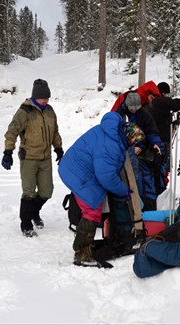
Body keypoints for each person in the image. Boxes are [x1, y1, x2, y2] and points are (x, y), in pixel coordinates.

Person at [58, 113, 145, 266]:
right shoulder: (111, 146)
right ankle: (82, 254)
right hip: (78, 174)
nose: (132, 146)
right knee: (92, 211)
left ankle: (84, 247)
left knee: (94, 208)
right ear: (129, 138)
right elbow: (106, 177)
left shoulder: (113, 132)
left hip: (76, 167)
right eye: (133, 143)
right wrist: (123, 191)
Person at [2, 79, 64, 238]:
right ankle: (26, 224)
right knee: (29, 192)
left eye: (48, 97)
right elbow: (12, 131)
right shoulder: (25, 111)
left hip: (45, 158)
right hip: (29, 157)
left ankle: (34, 212)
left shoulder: (50, 111)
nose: (46, 100)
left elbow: (55, 132)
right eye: (43, 98)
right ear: (35, 97)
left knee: (46, 192)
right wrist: (8, 152)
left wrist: (58, 149)